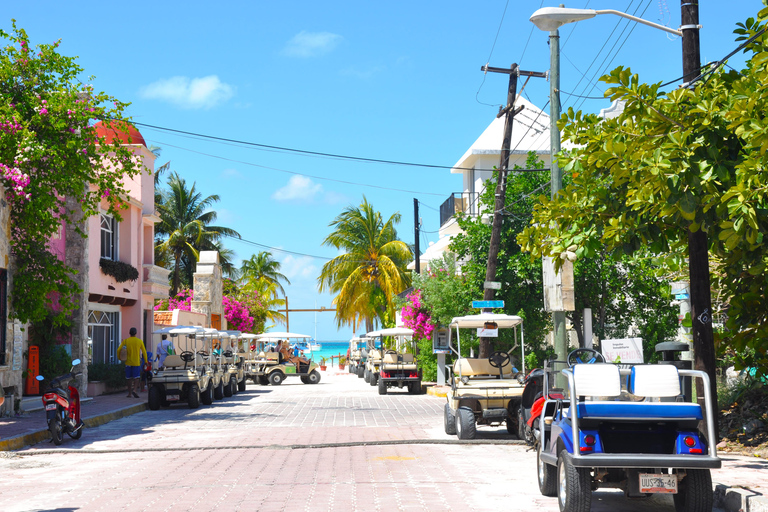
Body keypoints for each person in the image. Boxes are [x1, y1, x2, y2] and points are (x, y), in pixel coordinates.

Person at [117, 327, 148, 398]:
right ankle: (135, 390)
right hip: (136, 362)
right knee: (136, 377)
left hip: (128, 363)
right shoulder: (139, 341)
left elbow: (119, 349)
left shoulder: (126, 341)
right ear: (136, 333)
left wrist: (119, 357)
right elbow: (144, 352)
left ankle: (130, 393)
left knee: (128, 378)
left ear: (129, 333)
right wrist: (145, 361)